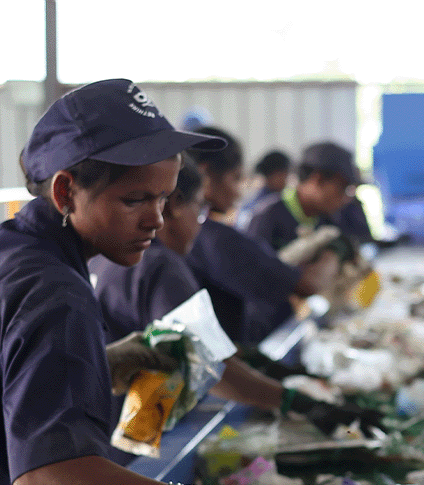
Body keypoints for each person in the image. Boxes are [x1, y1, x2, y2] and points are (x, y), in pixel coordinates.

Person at [0, 78, 295, 485]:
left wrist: (104, 364)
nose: (156, 219)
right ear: (65, 194)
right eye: (134, 199)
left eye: (163, 198)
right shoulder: (53, 289)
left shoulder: (19, 250)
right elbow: (49, 478)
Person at [91, 155, 383, 435]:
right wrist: (298, 403)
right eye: (200, 209)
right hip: (133, 432)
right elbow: (208, 364)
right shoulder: (160, 265)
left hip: (107, 421)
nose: (201, 223)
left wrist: (250, 358)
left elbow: (179, 341)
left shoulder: (109, 254)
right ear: (173, 207)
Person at [184, 127, 351, 346]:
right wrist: (334, 250)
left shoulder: (330, 218)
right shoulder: (219, 235)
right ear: (204, 175)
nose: (237, 193)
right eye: (235, 179)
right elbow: (305, 284)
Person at [247, 141, 364, 251]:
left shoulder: (330, 220)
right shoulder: (266, 218)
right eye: (343, 188)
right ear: (318, 179)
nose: (346, 198)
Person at [236, 149, 292, 231]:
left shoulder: (285, 198)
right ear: (275, 175)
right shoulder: (259, 205)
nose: (287, 179)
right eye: (285, 174)